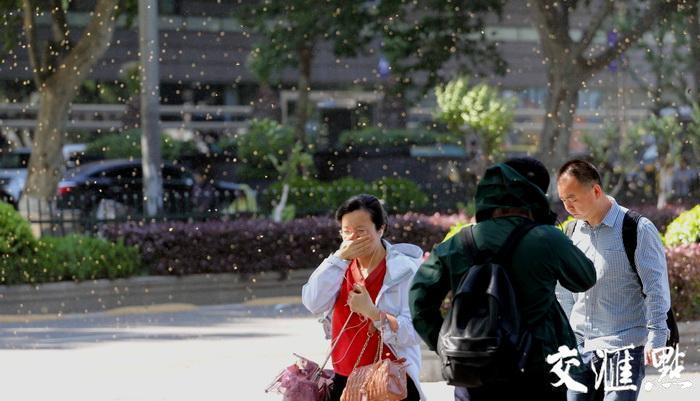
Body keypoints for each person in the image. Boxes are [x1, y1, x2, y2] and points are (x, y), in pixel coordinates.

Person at [409, 157, 597, 401]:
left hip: (473, 369)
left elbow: (419, 301)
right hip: (537, 367)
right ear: (534, 195)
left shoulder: (458, 243)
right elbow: (584, 278)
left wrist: (447, 345)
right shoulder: (546, 238)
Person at [556, 159, 671, 401]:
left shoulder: (636, 229)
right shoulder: (570, 233)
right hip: (580, 349)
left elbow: (656, 289)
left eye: (572, 198)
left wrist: (657, 338)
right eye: (563, 200)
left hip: (624, 347)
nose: (567, 207)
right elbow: (564, 291)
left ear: (596, 191)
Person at [301, 194, 425, 401]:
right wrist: (339, 259)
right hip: (344, 379)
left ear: (381, 228)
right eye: (346, 232)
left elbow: (416, 331)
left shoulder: (405, 271)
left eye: (361, 231)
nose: (353, 239)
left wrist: (374, 314)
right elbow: (313, 302)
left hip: (389, 382)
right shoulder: (338, 267)